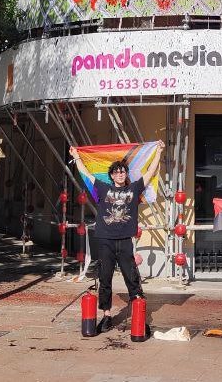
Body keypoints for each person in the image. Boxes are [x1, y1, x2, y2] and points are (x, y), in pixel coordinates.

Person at [70, 141, 165, 334]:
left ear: (126, 175)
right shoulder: (103, 189)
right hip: (105, 240)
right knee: (105, 279)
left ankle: (140, 316)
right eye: (117, 172)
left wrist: (159, 152)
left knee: (132, 278)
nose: (120, 175)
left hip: (125, 241)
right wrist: (77, 156)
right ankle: (106, 316)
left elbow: (150, 172)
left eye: (123, 172)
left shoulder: (134, 189)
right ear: (112, 175)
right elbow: (85, 173)